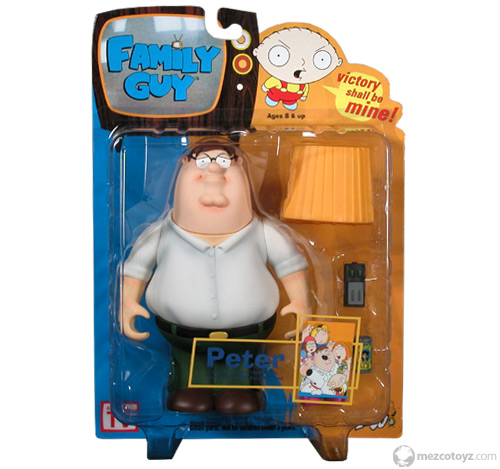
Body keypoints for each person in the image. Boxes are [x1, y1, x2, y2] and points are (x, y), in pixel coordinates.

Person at [121, 140, 311, 413]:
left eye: (224, 162)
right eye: (202, 163)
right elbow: (136, 269)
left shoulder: (263, 233)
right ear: (184, 166)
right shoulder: (161, 234)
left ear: (241, 168)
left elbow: (290, 264)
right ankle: (188, 387)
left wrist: (301, 303)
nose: (213, 172)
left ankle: (239, 389)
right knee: (188, 368)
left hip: (246, 334)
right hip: (182, 334)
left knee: (239, 371)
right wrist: (128, 303)